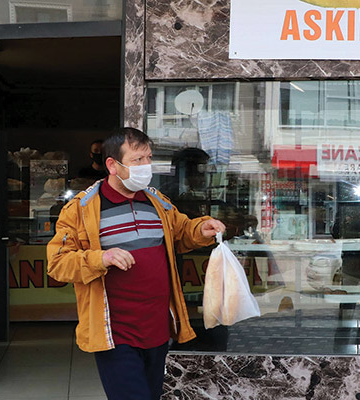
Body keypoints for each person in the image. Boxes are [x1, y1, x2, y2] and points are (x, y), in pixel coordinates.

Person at [46, 128, 225, 400]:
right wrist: (100, 258)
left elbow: (181, 233)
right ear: (112, 165)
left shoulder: (157, 203)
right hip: (114, 334)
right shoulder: (82, 209)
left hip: (157, 329)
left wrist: (201, 229)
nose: (146, 166)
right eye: (137, 160)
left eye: (149, 158)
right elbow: (58, 263)